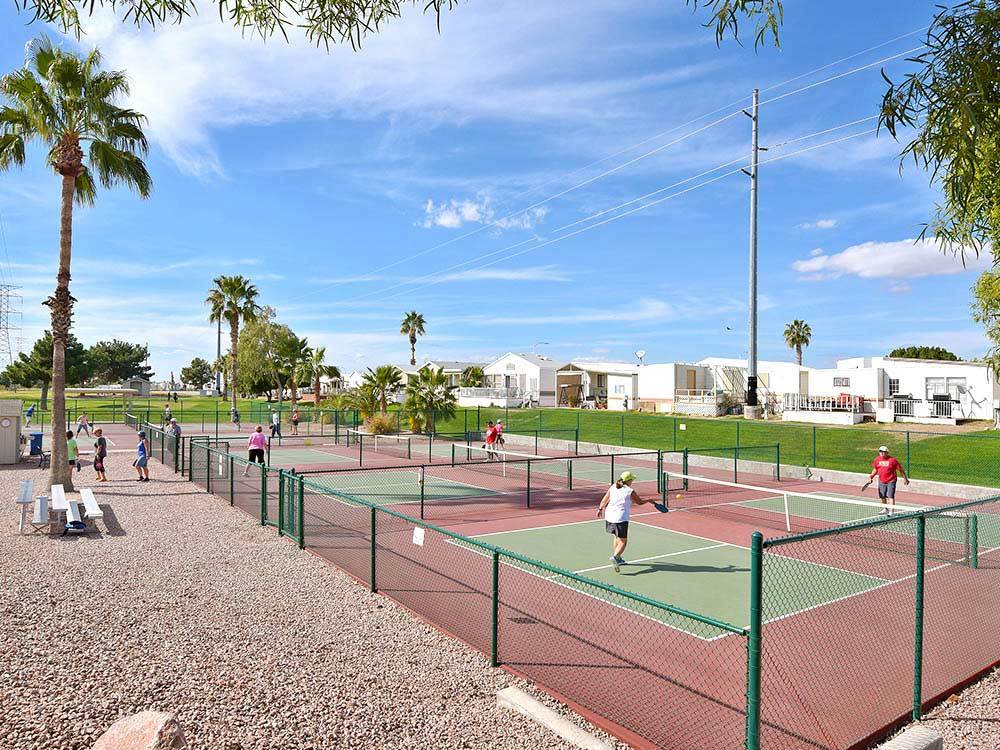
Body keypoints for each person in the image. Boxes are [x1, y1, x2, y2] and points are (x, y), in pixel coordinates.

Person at [597, 471, 663, 572]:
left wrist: (600, 509)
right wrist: (649, 500)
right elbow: (639, 502)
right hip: (620, 518)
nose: (632, 481)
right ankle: (615, 557)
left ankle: (618, 558)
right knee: (623, 541)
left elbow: (604, 500)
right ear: (629, 480)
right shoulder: (630, 491)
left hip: (609, 516)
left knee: (616, 537)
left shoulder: (613, 486)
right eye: (632, 479)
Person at [864, 445, 909, 514]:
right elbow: (876, 469)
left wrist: (905, 479)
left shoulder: (893, 460)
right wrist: (871, 476)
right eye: (880, 451)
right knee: (882, 495)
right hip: (881, 480)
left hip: (891, 480)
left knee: (890, 495)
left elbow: (901, 470)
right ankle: (885, 509)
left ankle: (891, 511)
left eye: (883, 452)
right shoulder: (877, 459)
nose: (882, 453)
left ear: (887, 452)